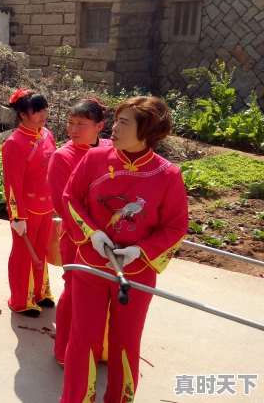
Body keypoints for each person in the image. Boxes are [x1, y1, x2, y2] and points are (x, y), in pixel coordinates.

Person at [60, 96, 188, 403]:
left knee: (125, 342)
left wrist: (140, 251)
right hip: (90, 266)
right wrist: (91, 233)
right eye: (115, 120)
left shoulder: (168, 175)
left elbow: (175, 227)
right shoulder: (93, 159)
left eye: (123, 122)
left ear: (146, 131)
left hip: (135, 273)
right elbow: (70, 198)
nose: (113, 128)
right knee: (83, 339)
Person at [47, 98, 111, 365]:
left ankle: (99, 346)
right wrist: (91, 233)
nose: (73, 129)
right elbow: (64, 206)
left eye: (81, 124)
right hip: (78, 237)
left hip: (109, 238)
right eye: (71, 123)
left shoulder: (111, 150)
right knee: (75, 292)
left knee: (104, 294)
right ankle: (65, 350)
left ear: (100, 126)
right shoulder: (62, 157)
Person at [1, 88, 56, 317]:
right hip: (27, 210)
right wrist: (17, 216)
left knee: (41, 251)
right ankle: (21, 299)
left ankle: (40, 292)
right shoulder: (15, 143)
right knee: (24, 254)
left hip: (46, 207)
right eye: (37, 111)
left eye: (44, 109)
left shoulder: (47, 135)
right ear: (23, 115)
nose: (43, 115)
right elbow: (13, 184)